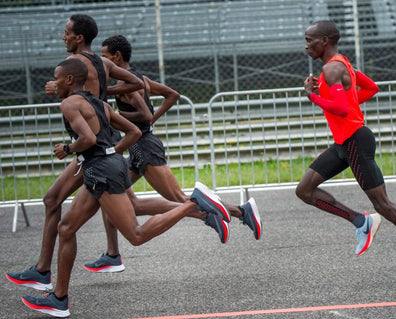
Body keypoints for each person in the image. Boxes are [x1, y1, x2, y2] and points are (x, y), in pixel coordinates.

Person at [4, 14, 223, 290]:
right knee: (93, 210)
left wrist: (66, 94)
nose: (63, 37)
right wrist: (104, 97)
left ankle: (202, 207)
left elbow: (100, 114)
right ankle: (91, 262)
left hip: (94, 149)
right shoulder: (103, 62)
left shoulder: (76, 69)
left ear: (79, 37)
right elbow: (135, 83)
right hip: (105, 145)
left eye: (66, 32)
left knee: (120, 224)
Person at [20, 58, 229, 317]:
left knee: (136, 235)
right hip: (106, 167)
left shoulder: (69, 103)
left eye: (57, 78)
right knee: (66, 227)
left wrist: (68, 149)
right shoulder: (101, 104)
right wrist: (111, 153)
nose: (54, 84)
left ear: (70, 80)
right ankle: (59, 298)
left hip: (101, 172)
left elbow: (87, 138)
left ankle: (194, 203)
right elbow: (134, 131)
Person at [81, 34, 262, 272]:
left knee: (178, 199)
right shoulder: (139, 79)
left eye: (104, 57)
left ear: (116, 57)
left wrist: (116, 119)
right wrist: (144, 123)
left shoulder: (126, 87)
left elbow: (144, 115)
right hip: (139, 147)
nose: (100, 63)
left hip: (144, 148)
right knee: (118, 199)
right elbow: (173, 95)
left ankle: (238, 212)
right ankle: (113, 253)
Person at [296, 20, 396, 284]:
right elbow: (371, 89)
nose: (306, 45)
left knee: (383, 204)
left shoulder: (332, 68)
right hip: (344, 144)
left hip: (355, 141)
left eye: (309, 39)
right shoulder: (343, 64)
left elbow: (342, 110)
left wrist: (313, 96)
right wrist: (340, 100)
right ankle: (361, 222)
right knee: (305, 191)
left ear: (324, 40)